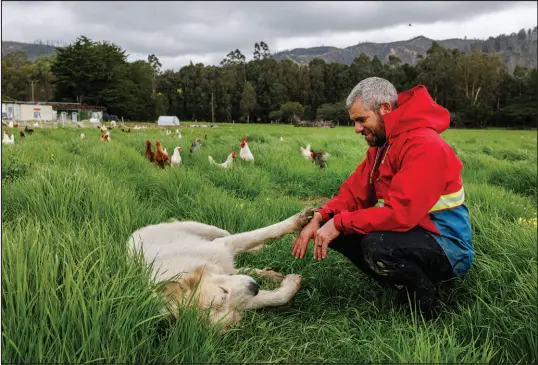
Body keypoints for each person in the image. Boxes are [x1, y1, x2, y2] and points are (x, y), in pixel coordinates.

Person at [292, 77, 473, 317]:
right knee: (333, 227)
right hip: (412, 234)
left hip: (447, 245)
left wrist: (340, 222)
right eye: (354, 121)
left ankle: (424, 303)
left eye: (361, 119)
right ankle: (400, 283)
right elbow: (353, 194)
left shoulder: (424, 145)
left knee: (376, 245)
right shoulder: (383, 146)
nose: (356, 129)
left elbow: (400, 214)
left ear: (385, 109)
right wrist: (321, 216)